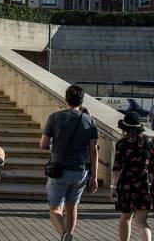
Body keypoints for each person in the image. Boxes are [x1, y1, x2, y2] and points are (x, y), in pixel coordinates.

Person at [39, 85, 99, 241]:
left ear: (65, 99)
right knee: (72, 207)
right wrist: (94, 177)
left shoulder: (54, 117)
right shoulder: (89, 120)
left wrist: (56, 147)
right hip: (80, 171)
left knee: (55, 210)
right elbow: (94, 150)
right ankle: (69, 236)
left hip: (59, 170)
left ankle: (64, 234)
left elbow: (43, 144)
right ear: (82, 100)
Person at [112, 111, 154, 241]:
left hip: (126, 185)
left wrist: (113, 187)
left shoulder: (121, 144)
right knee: (141, 222)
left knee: (125, 218)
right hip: (143, 185)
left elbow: (117, 168)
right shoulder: (149, 142)